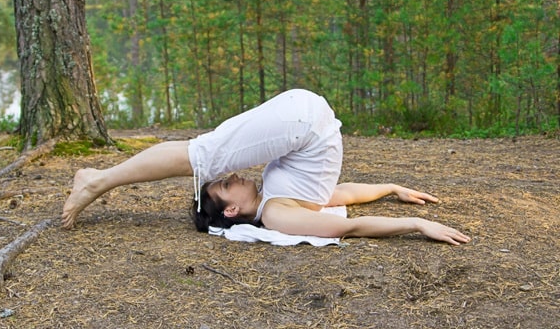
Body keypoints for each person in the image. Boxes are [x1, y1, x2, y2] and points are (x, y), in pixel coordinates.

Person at [62, 89, 470, 246]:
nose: (233, 179)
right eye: (225, 187)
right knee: (204, 155)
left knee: (209, 150)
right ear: (231, 211)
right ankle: (98, 181)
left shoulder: (279, 198)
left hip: (305, 119)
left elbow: (341, 194)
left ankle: (99, 180)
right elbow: (348, 223)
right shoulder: (278, 214)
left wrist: (392, 187)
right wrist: (417, 225)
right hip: (305, 123)